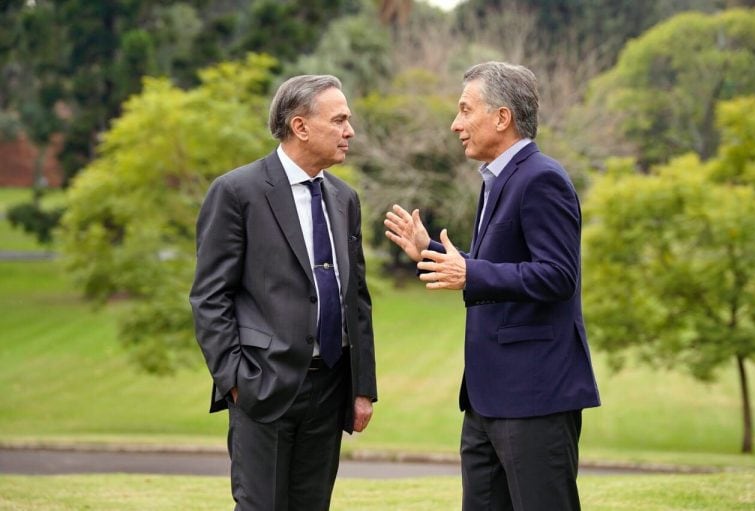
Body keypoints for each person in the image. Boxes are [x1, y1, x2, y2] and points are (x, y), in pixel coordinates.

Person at [384, 61, 600, 510]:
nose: (455, 124)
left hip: (535, 396)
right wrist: (432, 253)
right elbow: (496, 267)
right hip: (486, 400)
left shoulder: (542, 178)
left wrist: (470, 272)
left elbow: (559, 275)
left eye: (465, 110)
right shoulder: (496, 181)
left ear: (502, 117)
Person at [190, 74, 377, 511]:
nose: (350, 131)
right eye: (340, 120)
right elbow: (210, 297)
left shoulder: (344, 198)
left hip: (331, 388)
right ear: (300, 126)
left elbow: (357, 298)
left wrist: (362, 386)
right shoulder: (237, 192)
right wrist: (235, 380)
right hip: (263, 384)